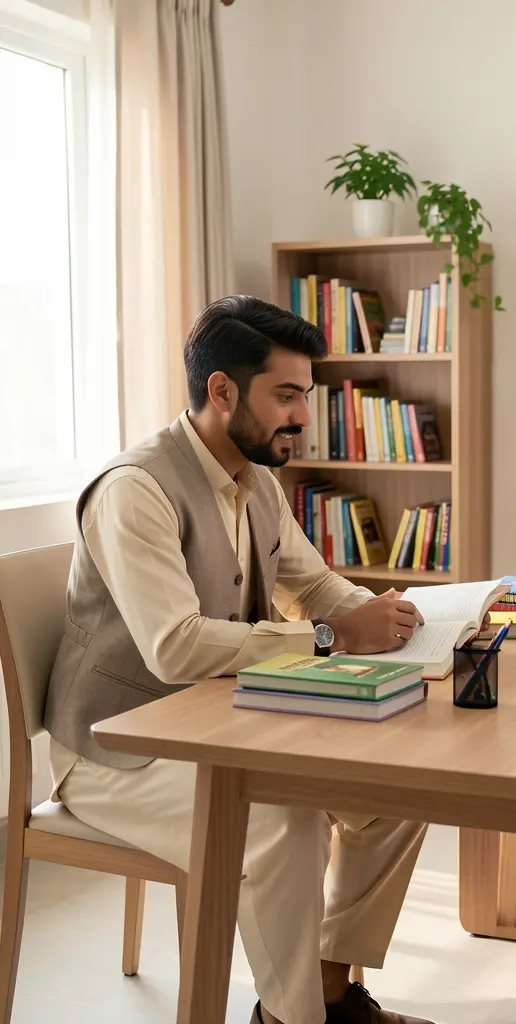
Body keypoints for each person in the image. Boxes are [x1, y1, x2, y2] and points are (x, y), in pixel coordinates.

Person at [44, 296, 435, 1024]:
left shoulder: (259, 484)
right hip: (112, 752)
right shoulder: (137, 490)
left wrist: (384, 613)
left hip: (214, 728)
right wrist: (332, 638)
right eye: (285, 396)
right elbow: (176, 645)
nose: (302, 417)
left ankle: (325, 991)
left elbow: (312, 583)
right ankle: (290, 1020)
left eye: (305, 397)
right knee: (284, 818)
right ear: (222, 391)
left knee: (394, 793)